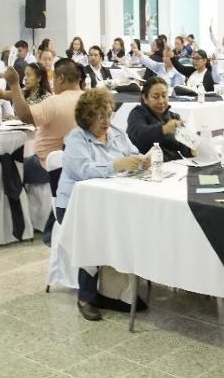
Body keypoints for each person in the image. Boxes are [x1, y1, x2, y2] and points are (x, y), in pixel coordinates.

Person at [55, 89, 146, 321]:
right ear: (87, 118)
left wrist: (143, 161)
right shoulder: (76, 139)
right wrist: (117, 165)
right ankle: (85, 297)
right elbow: (84, 171)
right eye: (100, 117)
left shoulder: (116, 133)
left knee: (132, 227)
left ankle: (112, 292)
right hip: (75, 207)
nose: (106, 121)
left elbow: (134, 153)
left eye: (109, 114)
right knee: (93, 235)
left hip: (111, 203)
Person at [5, 58, 83, 185]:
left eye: (54, 79)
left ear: (61, 78)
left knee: (8, 168)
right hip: (78, 163)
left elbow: (25, 116)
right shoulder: (88, 99)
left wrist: (14, 84)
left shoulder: (56, 101)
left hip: (48, 165)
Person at [126, 77, 195, 159]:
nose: (161, 101)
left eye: (164, 96)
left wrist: (191, 149)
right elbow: (140, 134)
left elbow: (183, 147)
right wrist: (164, 129)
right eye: (155, 97)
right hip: (148, 163)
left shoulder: (174, 117)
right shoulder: (137, 114)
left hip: (175, 163)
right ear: (145, 98)